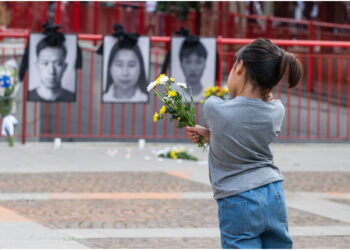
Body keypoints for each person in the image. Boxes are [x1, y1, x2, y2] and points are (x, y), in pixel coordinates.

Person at [185, 38, 303, 249]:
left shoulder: (214, 107)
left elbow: (232, 118)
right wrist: (213, 135)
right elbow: (246, 132)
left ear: (240, 67)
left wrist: (212, 132)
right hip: (273, 190)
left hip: (237, 197)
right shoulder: (277, 110)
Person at [28, 38, 74, 102]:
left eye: (58, 64)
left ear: (65, 67)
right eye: (45, 63)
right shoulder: (28, 95)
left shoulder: (72, 97)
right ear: (37, 66)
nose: (51, 71)